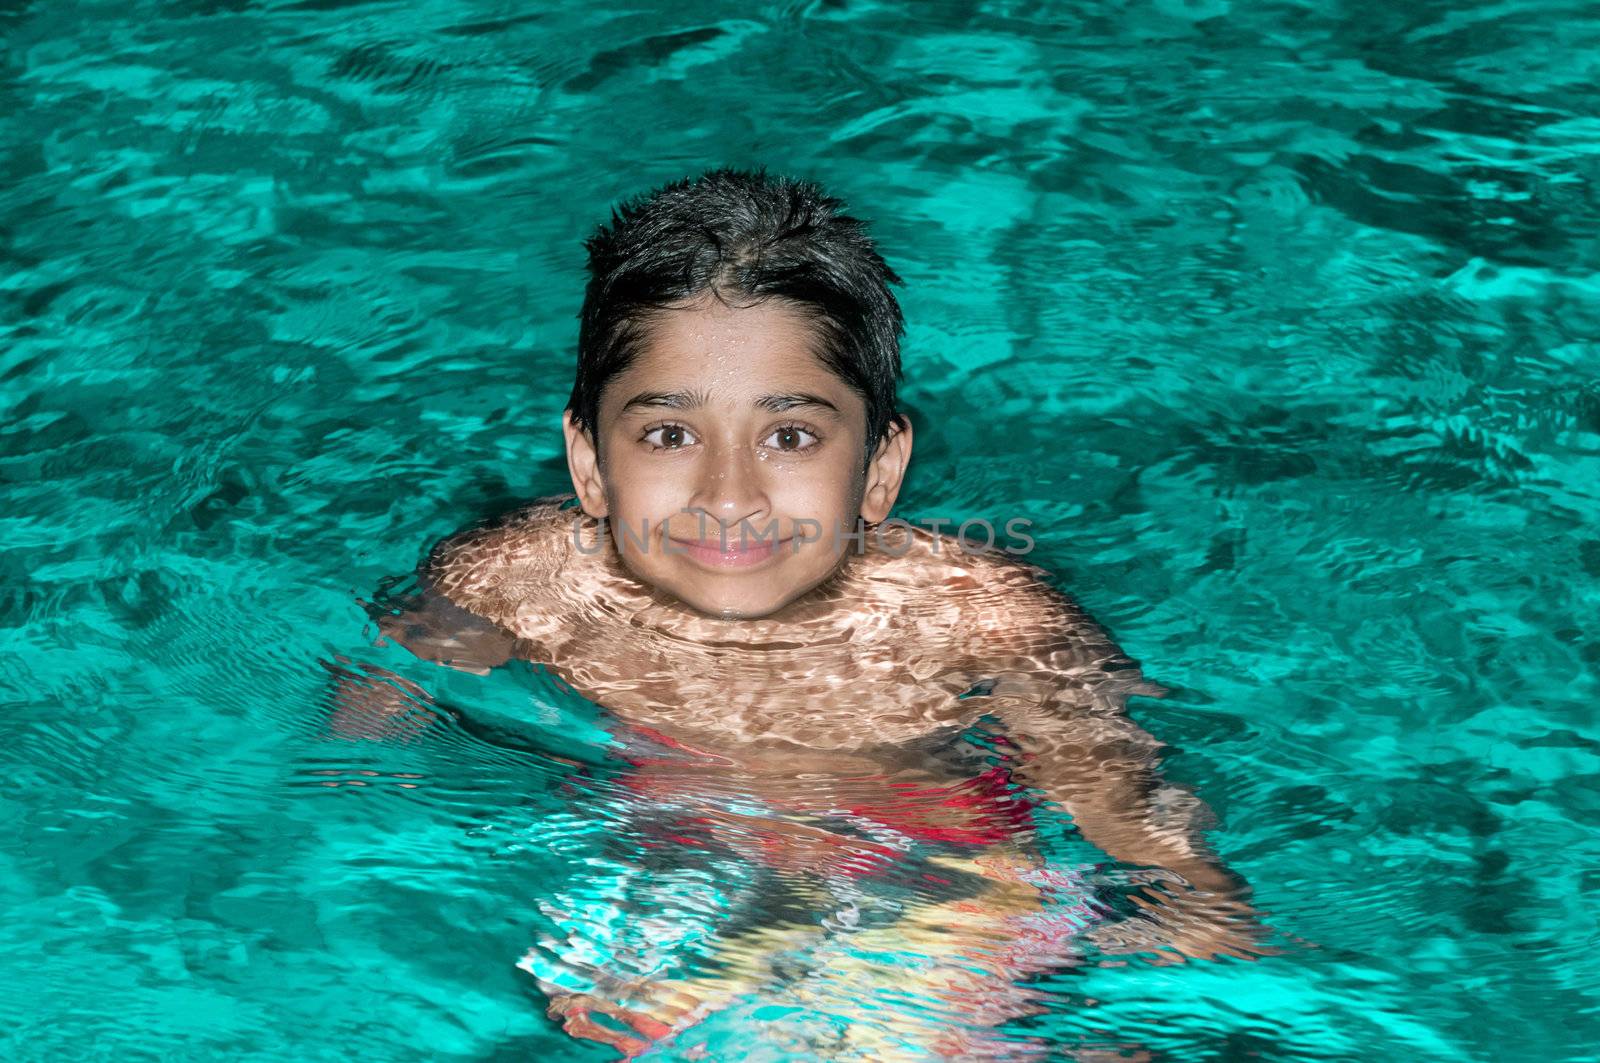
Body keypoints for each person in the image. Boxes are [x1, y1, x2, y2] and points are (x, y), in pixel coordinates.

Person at [330, 167, 1275, 1058]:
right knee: (600, 1010)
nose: (730, 494)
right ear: (588, 462)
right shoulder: (520, 581)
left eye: (790, 435)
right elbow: (370, 730)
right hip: (676, 857)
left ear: (879, 470)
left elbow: (1141, 827)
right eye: (668, 433)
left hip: (938, 880)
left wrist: (1197, 937)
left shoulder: (976, 618)